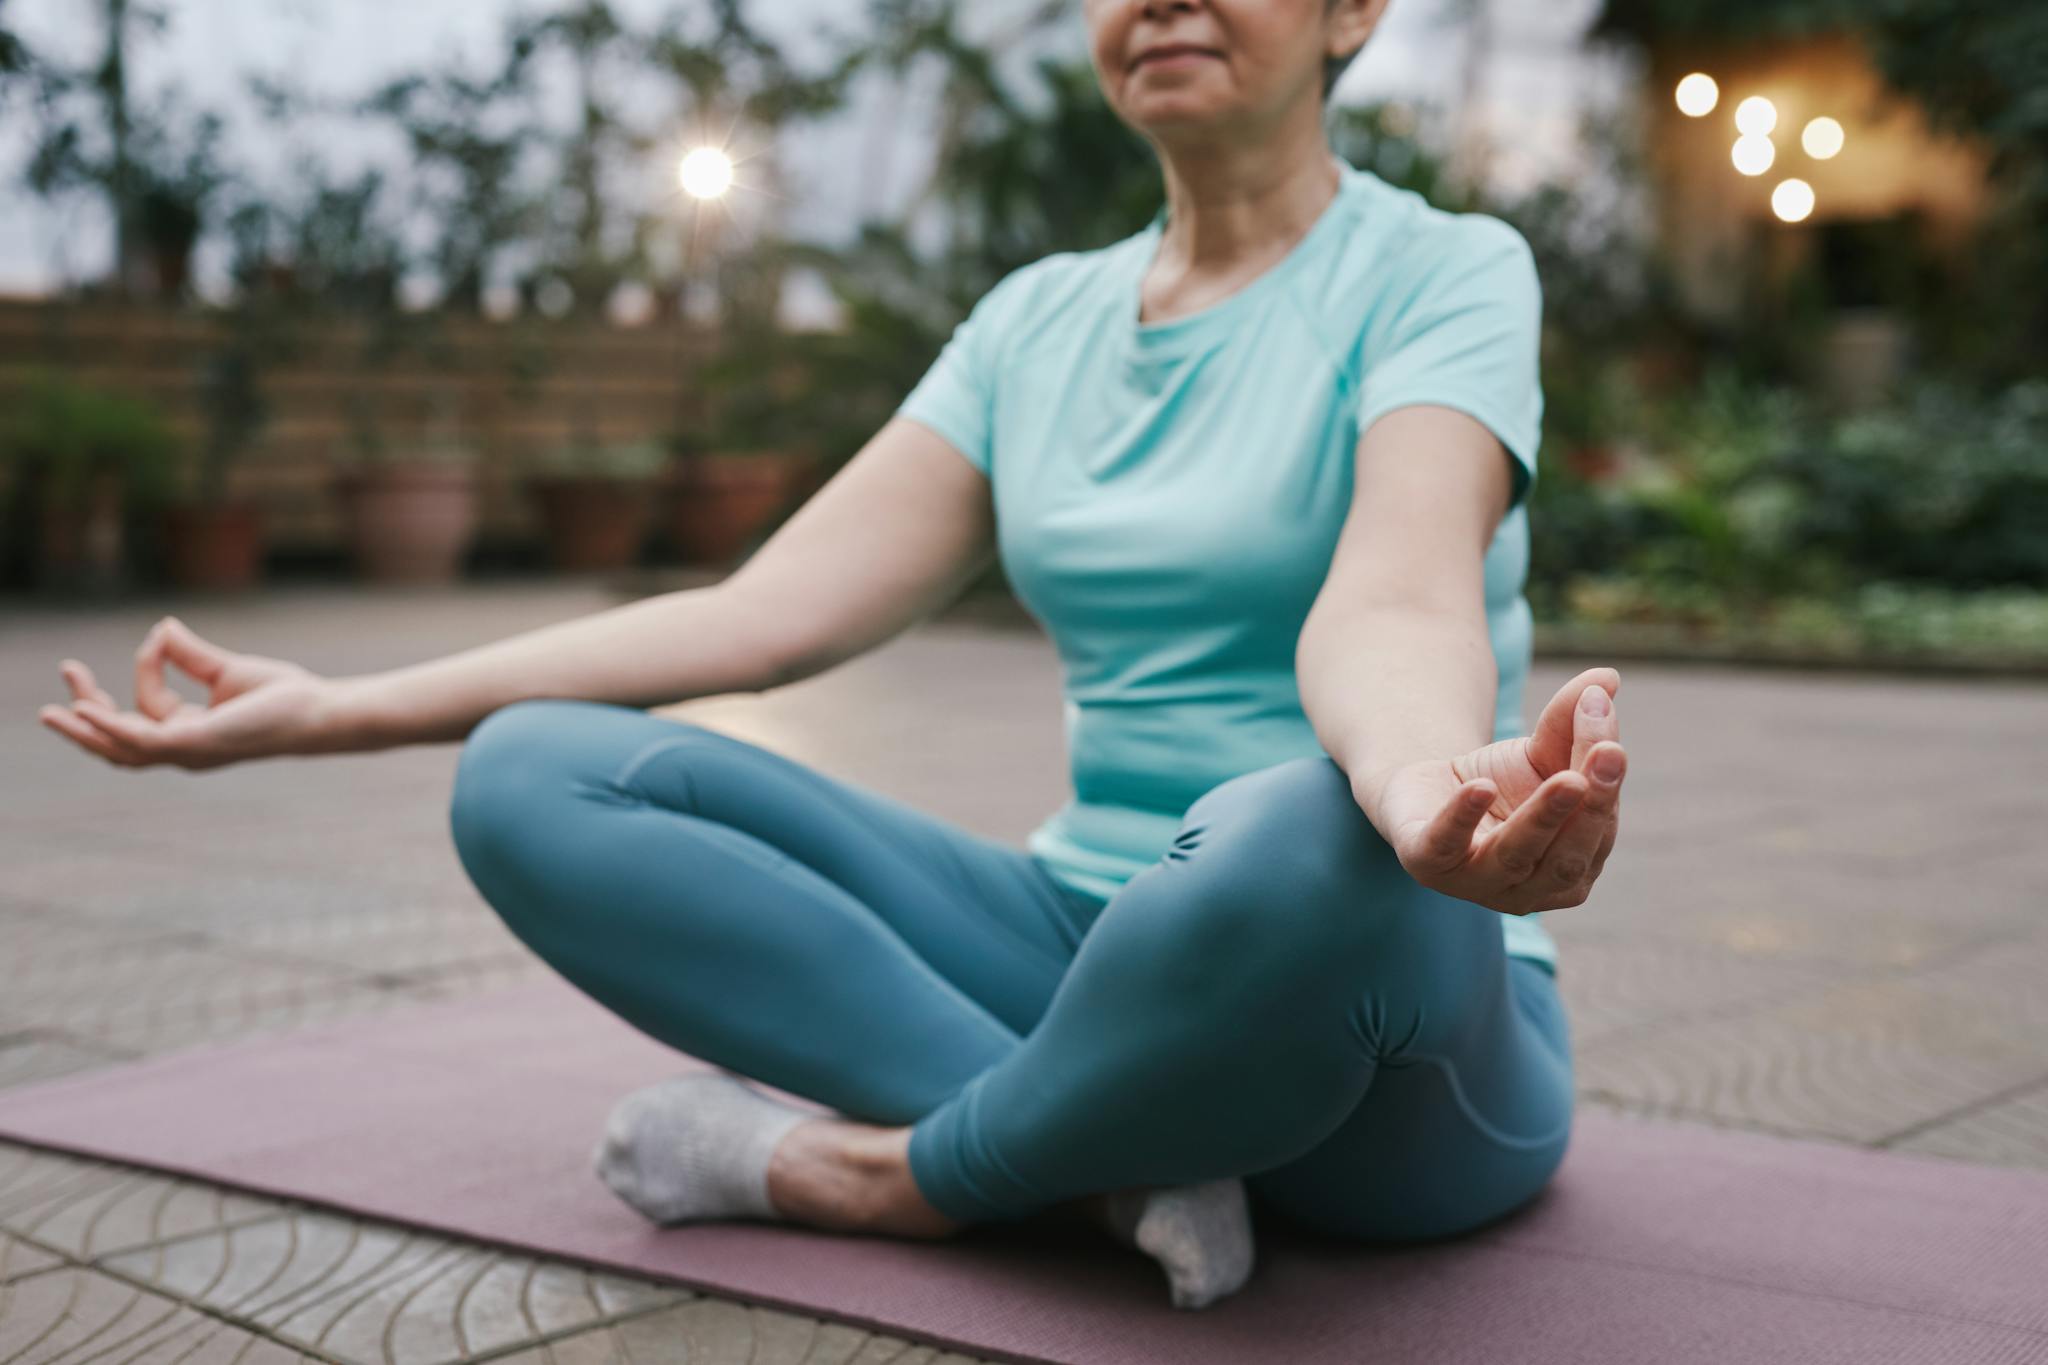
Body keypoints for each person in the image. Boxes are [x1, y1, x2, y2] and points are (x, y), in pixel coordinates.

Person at [37, 0, 1630, 1313]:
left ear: (1357, 11)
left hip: (1373, 1012)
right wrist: (333, 709)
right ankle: (1117, 1156)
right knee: (536, 765)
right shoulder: (1034, 326)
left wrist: (1425, 791)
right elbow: (761, 612)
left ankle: (886, 1174)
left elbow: (1397, 596)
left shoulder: (1445, 269)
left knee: (1307, 837)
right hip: (1078, 946)